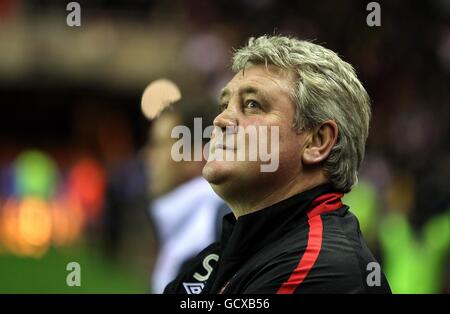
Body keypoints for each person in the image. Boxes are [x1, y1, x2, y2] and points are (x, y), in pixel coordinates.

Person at [164, 35, 391, 294]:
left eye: (252, 104)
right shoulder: (219, 258)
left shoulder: (324, 270)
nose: (221, 120)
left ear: (317, 142)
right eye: (225, 104)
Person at [145, 98, 229, 293]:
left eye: (158, 144)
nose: (147, 155)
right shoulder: (185, 221)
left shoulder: (218, 225)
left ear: (197, 154)